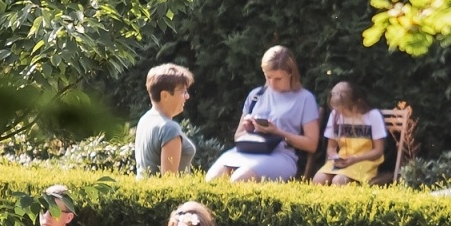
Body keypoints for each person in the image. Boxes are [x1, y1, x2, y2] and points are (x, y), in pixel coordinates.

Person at [205, 46, 321, 182]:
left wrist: (278, 132)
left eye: (278, 79)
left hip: (281, 155)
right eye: (268, 77)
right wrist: (249, 129)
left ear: (291, 73)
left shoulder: (304, 99)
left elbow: (312, 145)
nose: (272, 83)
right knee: (212, 178)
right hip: (248, 151)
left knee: (239, 179)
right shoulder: (256, 95)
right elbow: (238, 136)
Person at [311, 81, 387, 186]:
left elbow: (378, 151)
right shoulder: (335, 115)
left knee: (339, 181)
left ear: (357, 103)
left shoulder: (372, 116)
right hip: (343, 161)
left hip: (364, 161)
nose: (341, 113)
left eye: (344, 110)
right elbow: (331, 147)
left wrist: (355, 159)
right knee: (318, 180)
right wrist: (335, 157)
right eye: (338, 110)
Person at [135, 63, 196, 176]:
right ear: (165, 96)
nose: (187, 96)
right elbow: (169, 182)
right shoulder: (169, 128)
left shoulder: (144, 120)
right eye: (183, 92)